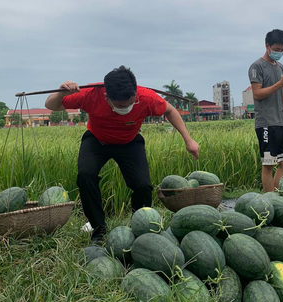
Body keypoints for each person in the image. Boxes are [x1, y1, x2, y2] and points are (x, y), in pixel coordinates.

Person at [45, 65, 199, 242]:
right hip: (97, 141)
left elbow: (170, 111)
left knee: (142, 186)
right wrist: (60, 93)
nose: (126, 107)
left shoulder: (146, 97)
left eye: (129, 103)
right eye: (120, 105)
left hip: (129, 142)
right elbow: (51, 105)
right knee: (85, 175)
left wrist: (189, 140)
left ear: (135, 93)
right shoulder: (91, 94)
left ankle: (141, 226)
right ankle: (98, 228)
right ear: (106, 97)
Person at [248, 29, 283, 192]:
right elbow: (257, 94)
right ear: (267, 46)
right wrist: (279, 84)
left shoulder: (280, 67)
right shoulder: (256, 67)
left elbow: (279, 93)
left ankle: (277, 196)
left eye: (282, 50)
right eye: (277, 49)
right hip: (266, 123)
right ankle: (268, 200)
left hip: (281, 121)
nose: (279, 53)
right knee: (269, 164)